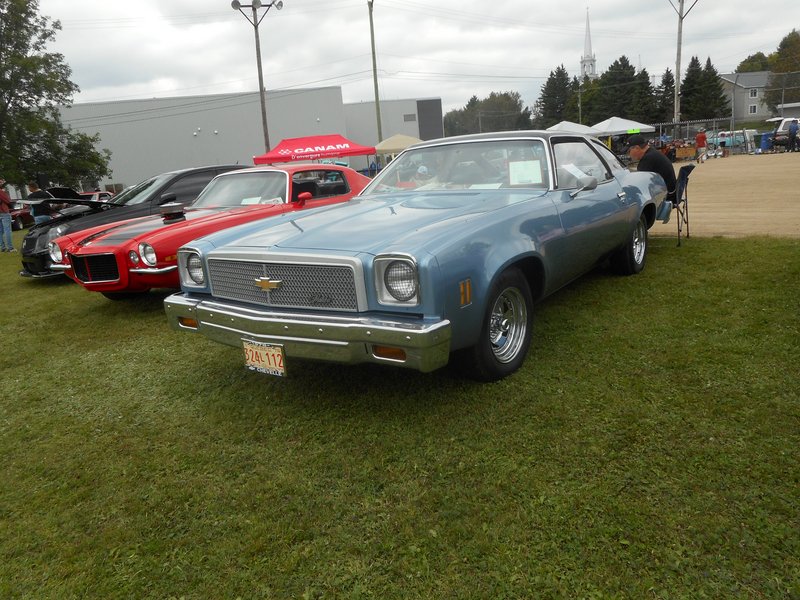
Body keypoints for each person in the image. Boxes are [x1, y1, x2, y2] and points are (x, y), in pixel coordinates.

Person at [626, 134, 677, 205]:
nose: (628, 154)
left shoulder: (647, 159)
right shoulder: (652, 153)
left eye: (629, 151)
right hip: (672, 191)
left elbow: (638, 183)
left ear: (637, 148)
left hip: (667, 196)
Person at [0, 177, 16, 252]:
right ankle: (10, 248)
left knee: (0, 231)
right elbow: (7, 200)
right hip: (4, 212)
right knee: (7, 230)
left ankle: (2, 247)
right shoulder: (1, 191)